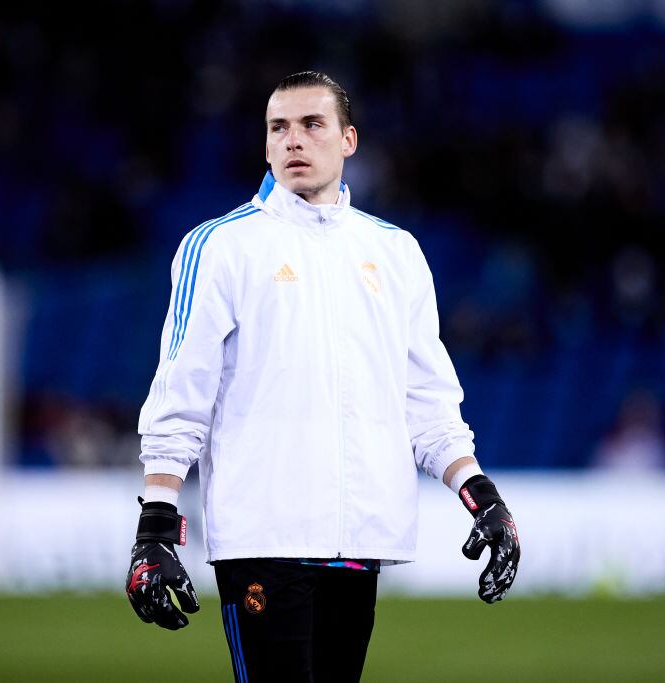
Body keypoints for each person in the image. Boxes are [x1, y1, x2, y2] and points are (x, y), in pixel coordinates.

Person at [125, 71, 520, 682]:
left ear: (348, 140)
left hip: (357, 544)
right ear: (265, 145)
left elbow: (428, 403)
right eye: (279, 128)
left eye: (312, 125)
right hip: (263, 539)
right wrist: (157, 523)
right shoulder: (221, 247)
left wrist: (481, 497)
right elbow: (182, 394)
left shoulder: (396, 252)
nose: (294, 141)